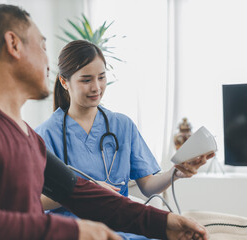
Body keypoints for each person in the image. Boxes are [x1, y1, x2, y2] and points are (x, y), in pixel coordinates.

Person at [0, 4, 210, 240]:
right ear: (13, 44)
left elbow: (86, 195)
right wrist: (73, 230)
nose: (48, 61)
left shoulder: (27, 137)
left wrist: (166, 223)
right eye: (43, 45)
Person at [36, 40, 215, 239]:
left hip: (124, 227)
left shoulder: (122, 125)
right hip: (77, 232)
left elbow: (148, 186)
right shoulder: (45, 134)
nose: (96, 87)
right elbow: (34, 201)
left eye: (101, 78)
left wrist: (177, 172)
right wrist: (85, 190)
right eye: (86, 80)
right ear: (64, 82)